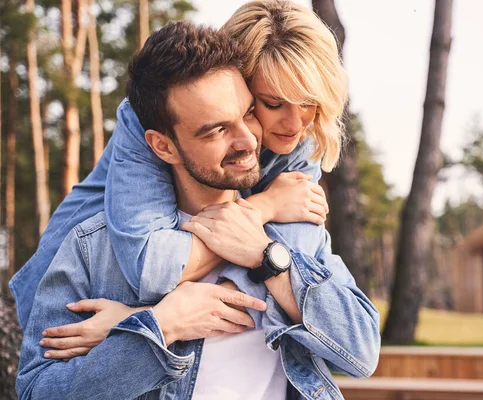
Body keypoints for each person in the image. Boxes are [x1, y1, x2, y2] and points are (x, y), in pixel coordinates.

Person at [17, 21, 379, 400]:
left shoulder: (289, 228)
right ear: (164, 146)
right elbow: (38, 392)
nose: (247, 139)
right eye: (215, 130)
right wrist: (161, 326)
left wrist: (267, 256)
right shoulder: (94, 248)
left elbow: (360, 351)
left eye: (249, 113)